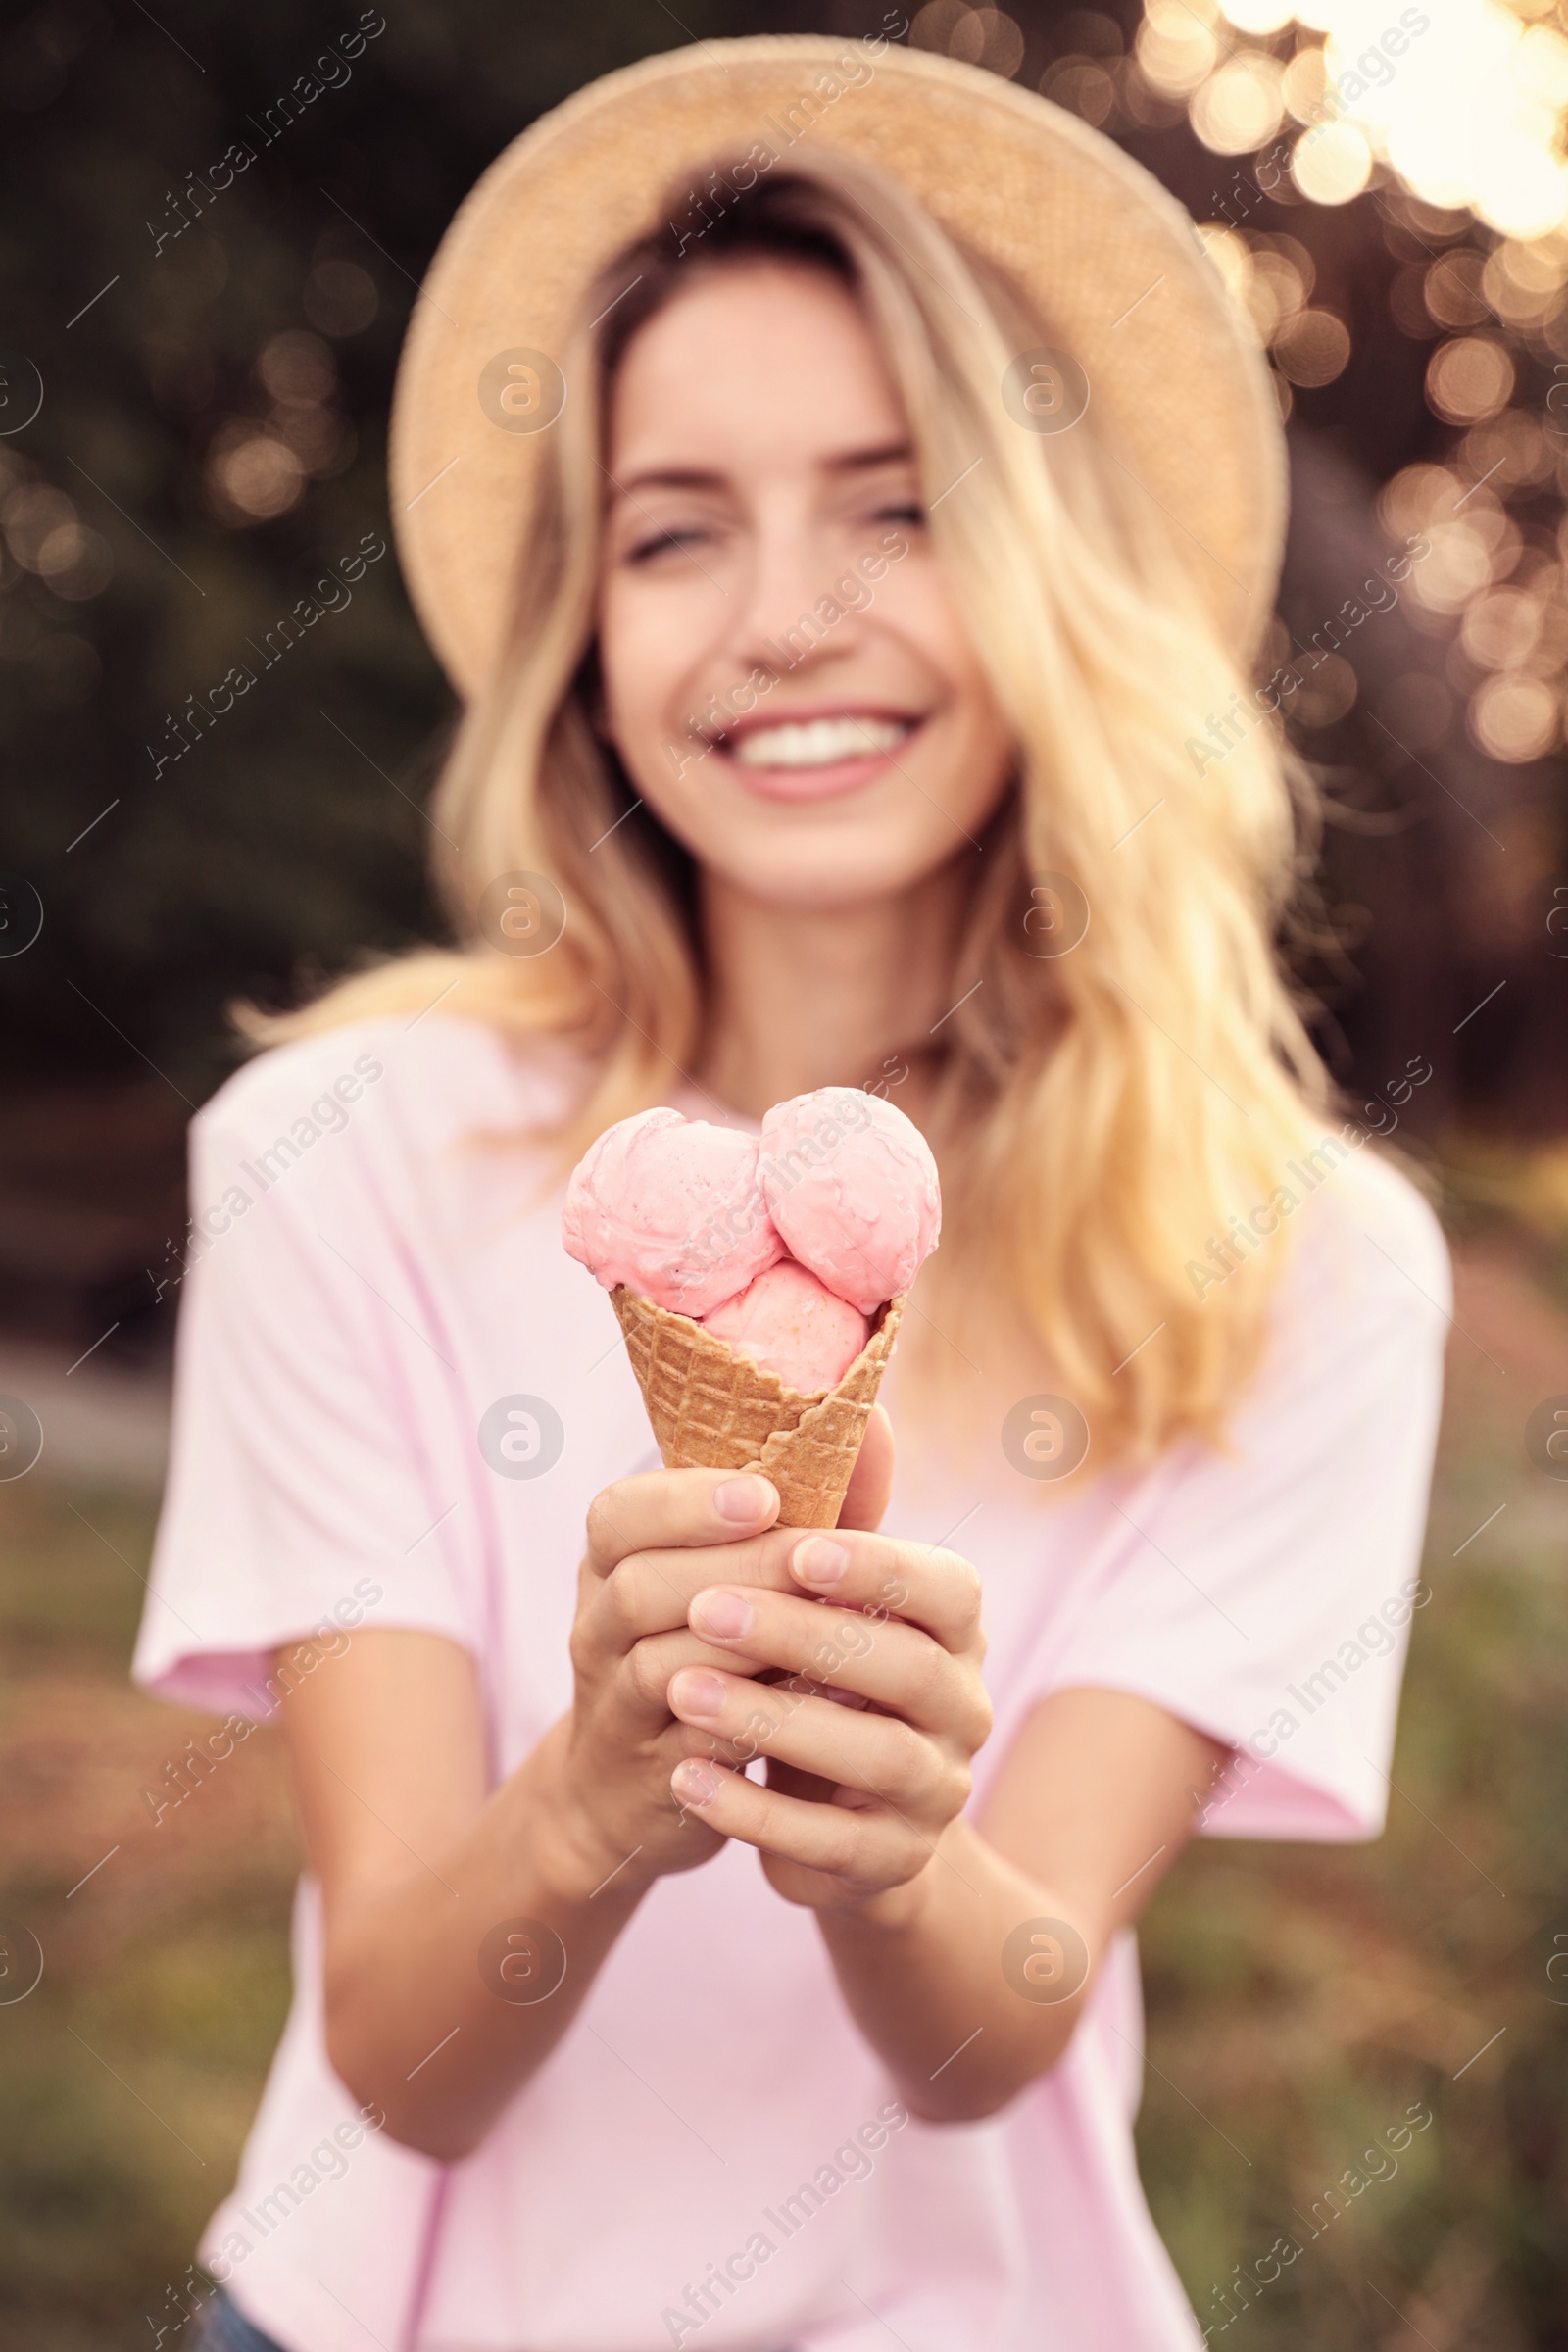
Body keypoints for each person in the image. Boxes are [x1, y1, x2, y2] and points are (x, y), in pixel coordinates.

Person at [134, 35, 1450, 2352]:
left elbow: (997, 2033)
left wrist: (895, 1854)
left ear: (1055, 570)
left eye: (898, 500)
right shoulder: (331, 1157)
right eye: (672, 529)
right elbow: (399, 2072)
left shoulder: (1296, 1266)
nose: (778, 618)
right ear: (587, 636)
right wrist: (594, 1800)